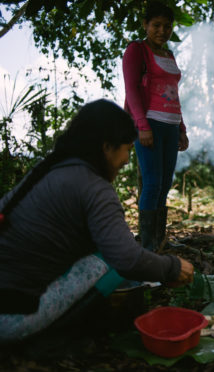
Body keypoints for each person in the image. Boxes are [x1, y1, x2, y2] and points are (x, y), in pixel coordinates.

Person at [0, 99, 194, 342]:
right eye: (126, 149)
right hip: (11, 318)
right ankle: (61, 336)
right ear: (106, 148)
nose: (126, 159)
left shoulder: (47, 169)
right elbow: (126, 258)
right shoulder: (93, 187)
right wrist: (172, 268)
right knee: (107, 262)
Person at [123, 1, 188, 252]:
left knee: (165, 183)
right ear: (145, 25)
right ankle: (147, 247)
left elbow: (174, 93)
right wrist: (142, 125)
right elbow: (131, 90)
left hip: (171, 125)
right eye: (156, 25)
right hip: (149, 123)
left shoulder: (169, 55)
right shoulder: (136, 50)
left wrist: (182, 128)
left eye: (167, 26)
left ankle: (159, 241)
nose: (162, 30)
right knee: (151, 183)